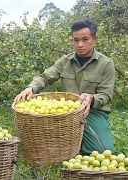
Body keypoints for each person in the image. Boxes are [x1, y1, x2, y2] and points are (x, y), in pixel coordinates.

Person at [14, 19, 115, 155]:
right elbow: (44, 77)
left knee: (102, 151)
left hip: (92, 112)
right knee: (45, 145)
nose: (80, 45)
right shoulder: (65, 61)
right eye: (76, 40)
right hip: (64, 114)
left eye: (85, 39)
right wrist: (31, 88)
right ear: (71, 40)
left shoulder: (106, 64)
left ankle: (81, 142)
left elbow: (106, 95)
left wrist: (91, 98)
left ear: (94, 39)